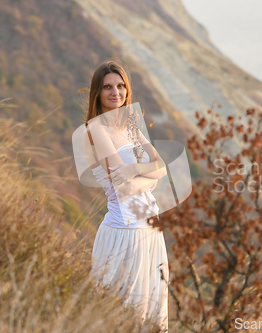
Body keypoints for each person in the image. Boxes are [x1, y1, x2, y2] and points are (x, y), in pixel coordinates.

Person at [83, 61, 169, 332]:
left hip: (150, 229)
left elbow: (163, 168)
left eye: (120, 86)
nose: (115, 92)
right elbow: (123, 188)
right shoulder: (96, 129)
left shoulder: (131, 125)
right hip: (125, 232)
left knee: (151, 311)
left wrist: (134, 170)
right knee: (123, 312)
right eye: (107, 87)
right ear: (97, 92)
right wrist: (147, 178)